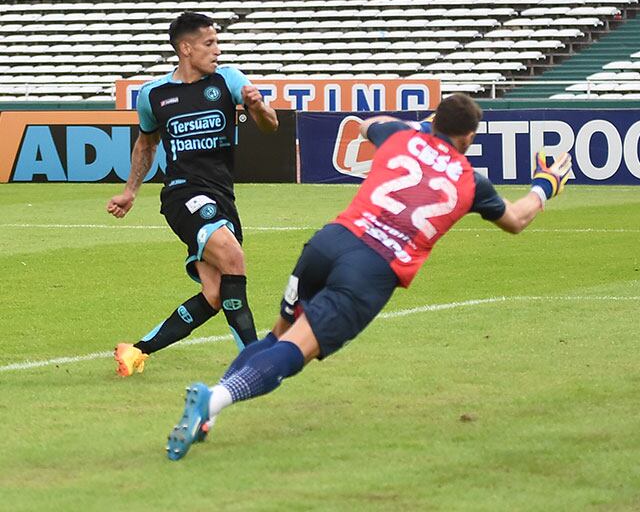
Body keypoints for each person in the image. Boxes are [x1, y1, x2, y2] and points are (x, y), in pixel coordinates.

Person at [164, 93, 572, 460]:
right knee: (295, 352)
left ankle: (209, 413)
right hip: (372, 268)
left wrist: (419, 129)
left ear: (433, 120)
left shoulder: (399, 135)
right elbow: (516, 220)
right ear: (468, 138)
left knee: (277, 337)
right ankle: (214, 399)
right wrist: (545, 184)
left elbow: (366, 123)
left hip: (331, 241)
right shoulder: (470, 180)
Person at [107, 11, 279, 377]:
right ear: (186, 48)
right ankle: (254, 361)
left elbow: (270, 125)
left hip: (222, 197)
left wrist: (257, 104)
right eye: (209, 43)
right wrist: (130, 191)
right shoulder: (154, 95)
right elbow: (146, 144)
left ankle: (135, 351)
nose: (217, 50)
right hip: (183, 194)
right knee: (233, 256)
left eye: (216, 42)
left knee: (215, 295)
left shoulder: (228, 80)